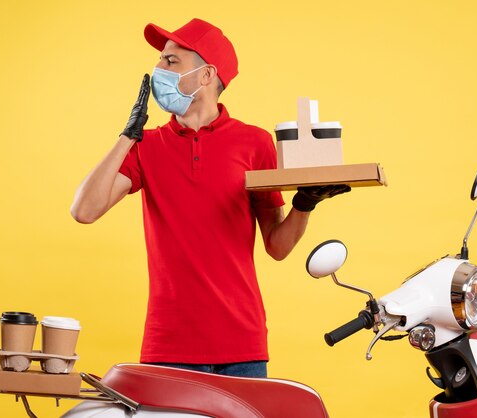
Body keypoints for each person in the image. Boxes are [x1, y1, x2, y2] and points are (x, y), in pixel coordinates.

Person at [70, 18, 349, 378]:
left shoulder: (254, 142)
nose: (158, 69)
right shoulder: (147, 146)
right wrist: (128, 135)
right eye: (159, 61)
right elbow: (84, 211)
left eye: (172, 62)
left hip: (241, 344)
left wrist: (304, 204)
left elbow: (277, 247)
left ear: (205, 76)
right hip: (169, 344)